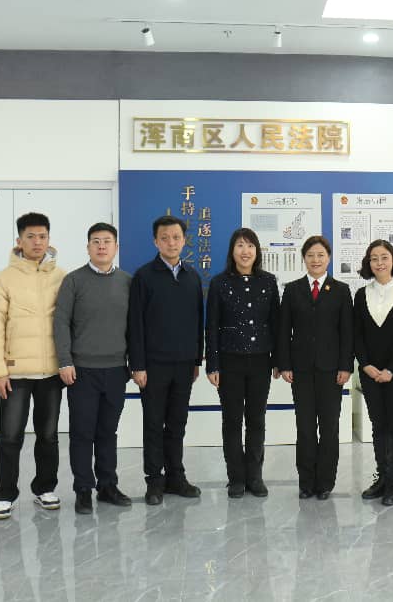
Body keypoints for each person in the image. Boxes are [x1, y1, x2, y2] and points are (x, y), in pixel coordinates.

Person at [0, 212, 66, 520]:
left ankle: (45, 488)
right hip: (15, 373)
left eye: (42, 236)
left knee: (49, 436)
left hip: (51, 373)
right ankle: (5, 494)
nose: (37, 242)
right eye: (31, 236)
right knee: (10, 436)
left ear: (48, 239)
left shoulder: (61, 277)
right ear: (19, 241)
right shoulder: (4, 279)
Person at [53, 222, 133, 515]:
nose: (101, 246)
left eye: (107, 241)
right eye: (96, 241)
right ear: (88, 247)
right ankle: (83, 490)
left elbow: (135, 327)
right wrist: (65, 361)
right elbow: (60, 322)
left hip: (116, 370)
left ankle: (108, 486)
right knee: (82, 433)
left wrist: (133, 364)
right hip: (82, 371)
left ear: (116, 247)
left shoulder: (127, 282)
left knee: (108, 432)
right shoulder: (73, 281)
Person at [128, 215, 204, 506]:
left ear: (184, 241)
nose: (171, 243)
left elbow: (197, 321)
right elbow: (135, 324)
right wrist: (138, 365)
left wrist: (196, 360)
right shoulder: (144, 277)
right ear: (155, 241)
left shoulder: (192, 276)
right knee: (153, 424)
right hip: (153, 366)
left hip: (184, 365)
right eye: (165, 238)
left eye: (176, 237)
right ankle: (154, 481)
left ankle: (176, 477)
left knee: (177, 423)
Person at [206, 228, 280, 498]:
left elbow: (276, 323)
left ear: (257, 251)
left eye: (250, 245)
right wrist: (212, 364)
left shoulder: (268, 282)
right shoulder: (219, 283)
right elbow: (212, 326)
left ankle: (255, 476)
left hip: (261, 361)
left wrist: (278, 360)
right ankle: (236, 478)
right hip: (229, 362)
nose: (245, 251)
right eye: (240, 245)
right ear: (232, 251)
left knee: (256, 420)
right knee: (232, 421)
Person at [278, 235, 353, 500]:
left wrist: (346, 366)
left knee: (329, 428)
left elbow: (347, 332)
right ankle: (306, 482)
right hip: (300, 370)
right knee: (305, 427)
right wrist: (284, 364)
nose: (316, 260)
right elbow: (283, 329)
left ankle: (325, 483)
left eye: (321, 255)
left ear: (328, 258)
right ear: (304, 258)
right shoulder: (292, 289)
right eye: (310, 255)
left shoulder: (341, 290)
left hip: (332, 370)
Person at [353, 240, 393, 506]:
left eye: (384, 257)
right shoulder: (361, 294)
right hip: (369, 373)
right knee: (378, 425)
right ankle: (382, 477)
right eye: (374, 258)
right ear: (368, 263)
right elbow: (356, 334)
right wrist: (365, 364)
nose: (379, 263)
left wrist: (391, 368)